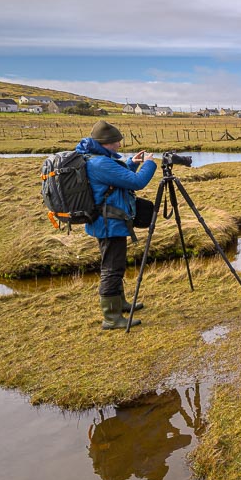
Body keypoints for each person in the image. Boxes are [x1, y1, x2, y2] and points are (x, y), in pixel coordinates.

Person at [76, 119, 157, 329]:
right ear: (106, 142)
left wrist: (133, 162)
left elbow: (116, 177)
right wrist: (149, 163)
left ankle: (120, 304)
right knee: (112, 268)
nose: (120, 145)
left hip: (107, 221)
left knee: (116, 265)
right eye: (117, 142)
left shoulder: (96, 158)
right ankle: (111, 317)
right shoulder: (100, 163)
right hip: (109, 223)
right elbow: (136, 182)